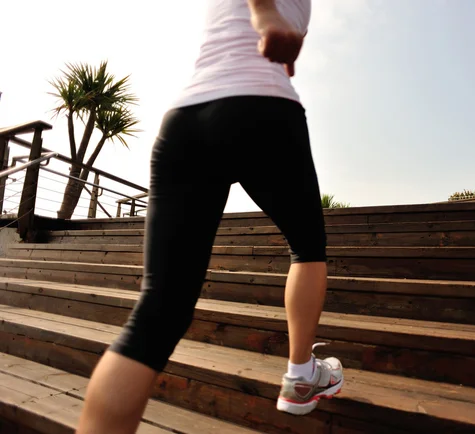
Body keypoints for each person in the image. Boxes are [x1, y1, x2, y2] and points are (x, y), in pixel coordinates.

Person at [76, 1, 343, 432]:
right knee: (308, 248)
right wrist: (265, 14)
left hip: (186, 120)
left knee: (159, 309)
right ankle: (300, 375)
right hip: (262, 109)